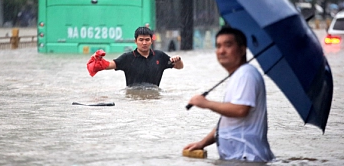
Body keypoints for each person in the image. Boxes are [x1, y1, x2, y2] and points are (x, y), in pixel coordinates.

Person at [183, 27, 274, 163]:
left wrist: (206, 103)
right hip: (236, 159)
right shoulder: (237, 76)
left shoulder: (246, 74)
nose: (221, 51)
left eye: (228, 45)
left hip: (247, 158)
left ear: (242, 50)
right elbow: (228, 123)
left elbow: (240, 110)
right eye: (218, 46)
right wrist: (202, 143)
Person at [87, 26, 183, 87]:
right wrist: (97, 60)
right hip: (133, 99)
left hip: (154, 99)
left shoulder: (160, 56)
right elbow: (109, 65)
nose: (144, 43)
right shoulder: (127, 58)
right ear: (135, 41)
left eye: (147, 40)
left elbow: (179, 67)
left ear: (151, 41)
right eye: (141, 40)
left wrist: (178, 60)